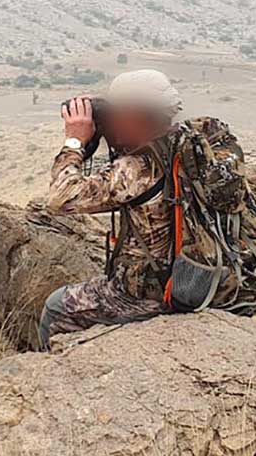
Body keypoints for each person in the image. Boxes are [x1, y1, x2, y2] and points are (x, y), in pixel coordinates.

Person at [38, 69, 183, 348]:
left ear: (137, 116)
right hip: (199, 279)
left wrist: (75, 141)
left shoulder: (138, 168)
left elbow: (61, 199)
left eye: (117, 113)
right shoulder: (182, 146)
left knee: (56, 307)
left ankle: (57, 372)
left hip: (150, 295)